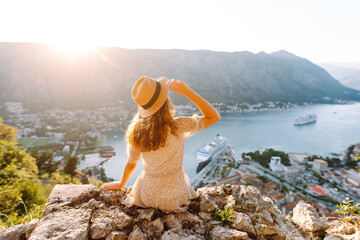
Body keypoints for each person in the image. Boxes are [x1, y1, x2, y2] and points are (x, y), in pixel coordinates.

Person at [100, 76, 220, 212]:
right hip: (174, 197)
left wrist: (121, 183)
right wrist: (187, 92)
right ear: (165, 102)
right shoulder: (177, 126)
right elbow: (213, 116)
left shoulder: (136, 132)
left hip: (146, 195)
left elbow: (132, 162)